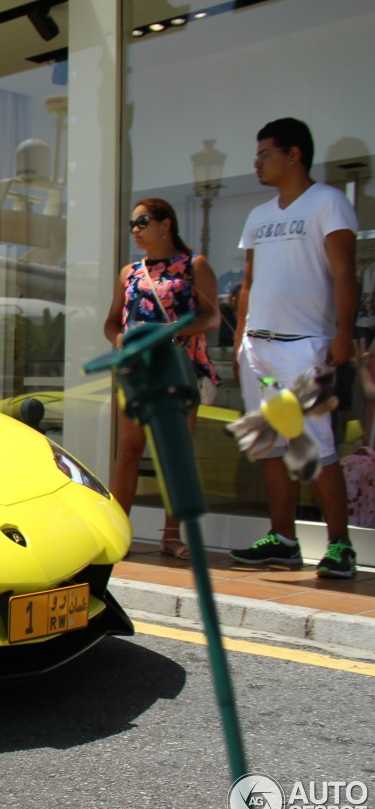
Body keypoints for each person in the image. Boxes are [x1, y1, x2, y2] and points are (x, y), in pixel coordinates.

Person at [229, 117, 360, 579]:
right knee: (270, 444)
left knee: (316, 446)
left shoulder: (329, 202)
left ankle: (340, 545)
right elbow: (248, 281)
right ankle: (282, 540)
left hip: (307, 345)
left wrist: (343, 335)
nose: (257, 162)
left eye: (265, 153)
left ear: (294, 155)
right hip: (258, 348)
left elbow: (346, 272)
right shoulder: (259, 216)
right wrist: (240, 337)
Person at [103, 197, 220, 559]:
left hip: (177, 368)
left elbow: (212, 318)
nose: (135, 230)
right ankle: (119, 533)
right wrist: (121, 339)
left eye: (143, 222)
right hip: (137, 369)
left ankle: (171, 535)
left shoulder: (192, 265)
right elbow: (111, 322)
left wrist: (169, 332)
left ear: (165, 224)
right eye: (132, 225)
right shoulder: (130, 272)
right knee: (127, 451)